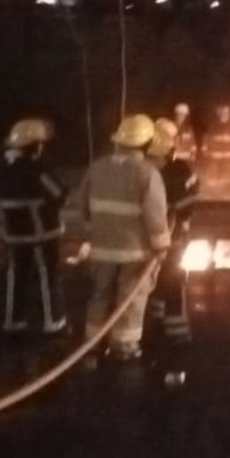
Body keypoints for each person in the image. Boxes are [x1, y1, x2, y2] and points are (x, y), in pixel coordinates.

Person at [79, 114, 172, 361]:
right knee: (130, 300)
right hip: (135, 253)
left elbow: (82, 207)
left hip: (101, 250)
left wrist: (94, 233)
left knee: (100, 294)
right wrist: (162, 246)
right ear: (146, 144)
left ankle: (93, 342)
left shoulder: (96, 168)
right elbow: (155, 216)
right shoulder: (148, 173)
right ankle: (124, 346)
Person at [0, 117, 69, 337]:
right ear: (34, 146)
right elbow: (59, 194)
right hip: (41, 233)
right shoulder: (36, 169)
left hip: (14, 234)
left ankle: (14, 322)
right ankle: (53, 323)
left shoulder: (2, 167)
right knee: (48, 276)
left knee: (16, 277)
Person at [147, 117, 201, 344]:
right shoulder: (178, 169)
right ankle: (177, 331)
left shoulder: (144, 167)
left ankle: (156, 318)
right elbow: (189, 198)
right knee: (174, 278)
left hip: (148, 234)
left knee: (154, 277)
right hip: (174, 234)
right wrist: (185, 220)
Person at [202, 103, 230, 190]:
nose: (224, 115)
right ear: (219, 114)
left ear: (229, 114)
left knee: (227, 173)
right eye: (222, 114)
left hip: (228, 155)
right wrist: (204, 148)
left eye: (226, 113)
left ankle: (226, 188)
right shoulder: (213, 125)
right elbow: (206, 137)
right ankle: (212, 189)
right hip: (214, 155)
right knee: (213, 171)